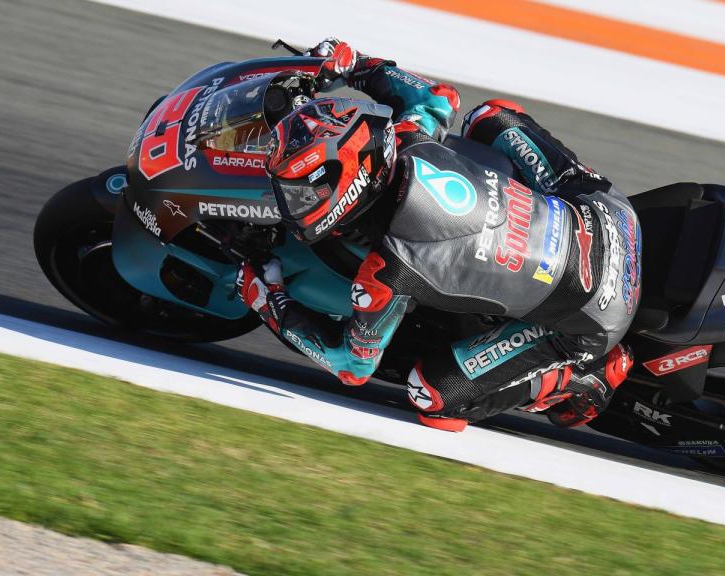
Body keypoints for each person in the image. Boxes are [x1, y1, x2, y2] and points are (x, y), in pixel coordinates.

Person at [238, 38, 641, 432]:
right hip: (610, 213)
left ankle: (582, 378)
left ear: (351, 185)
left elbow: (352, 365)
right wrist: (356, 64)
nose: (293, 203)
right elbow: (440, 97)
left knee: (431, 397)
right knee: (490, 116)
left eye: (302, 192)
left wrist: (271, 303)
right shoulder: (409, 135)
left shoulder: (388, 269)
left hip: (596, 311)